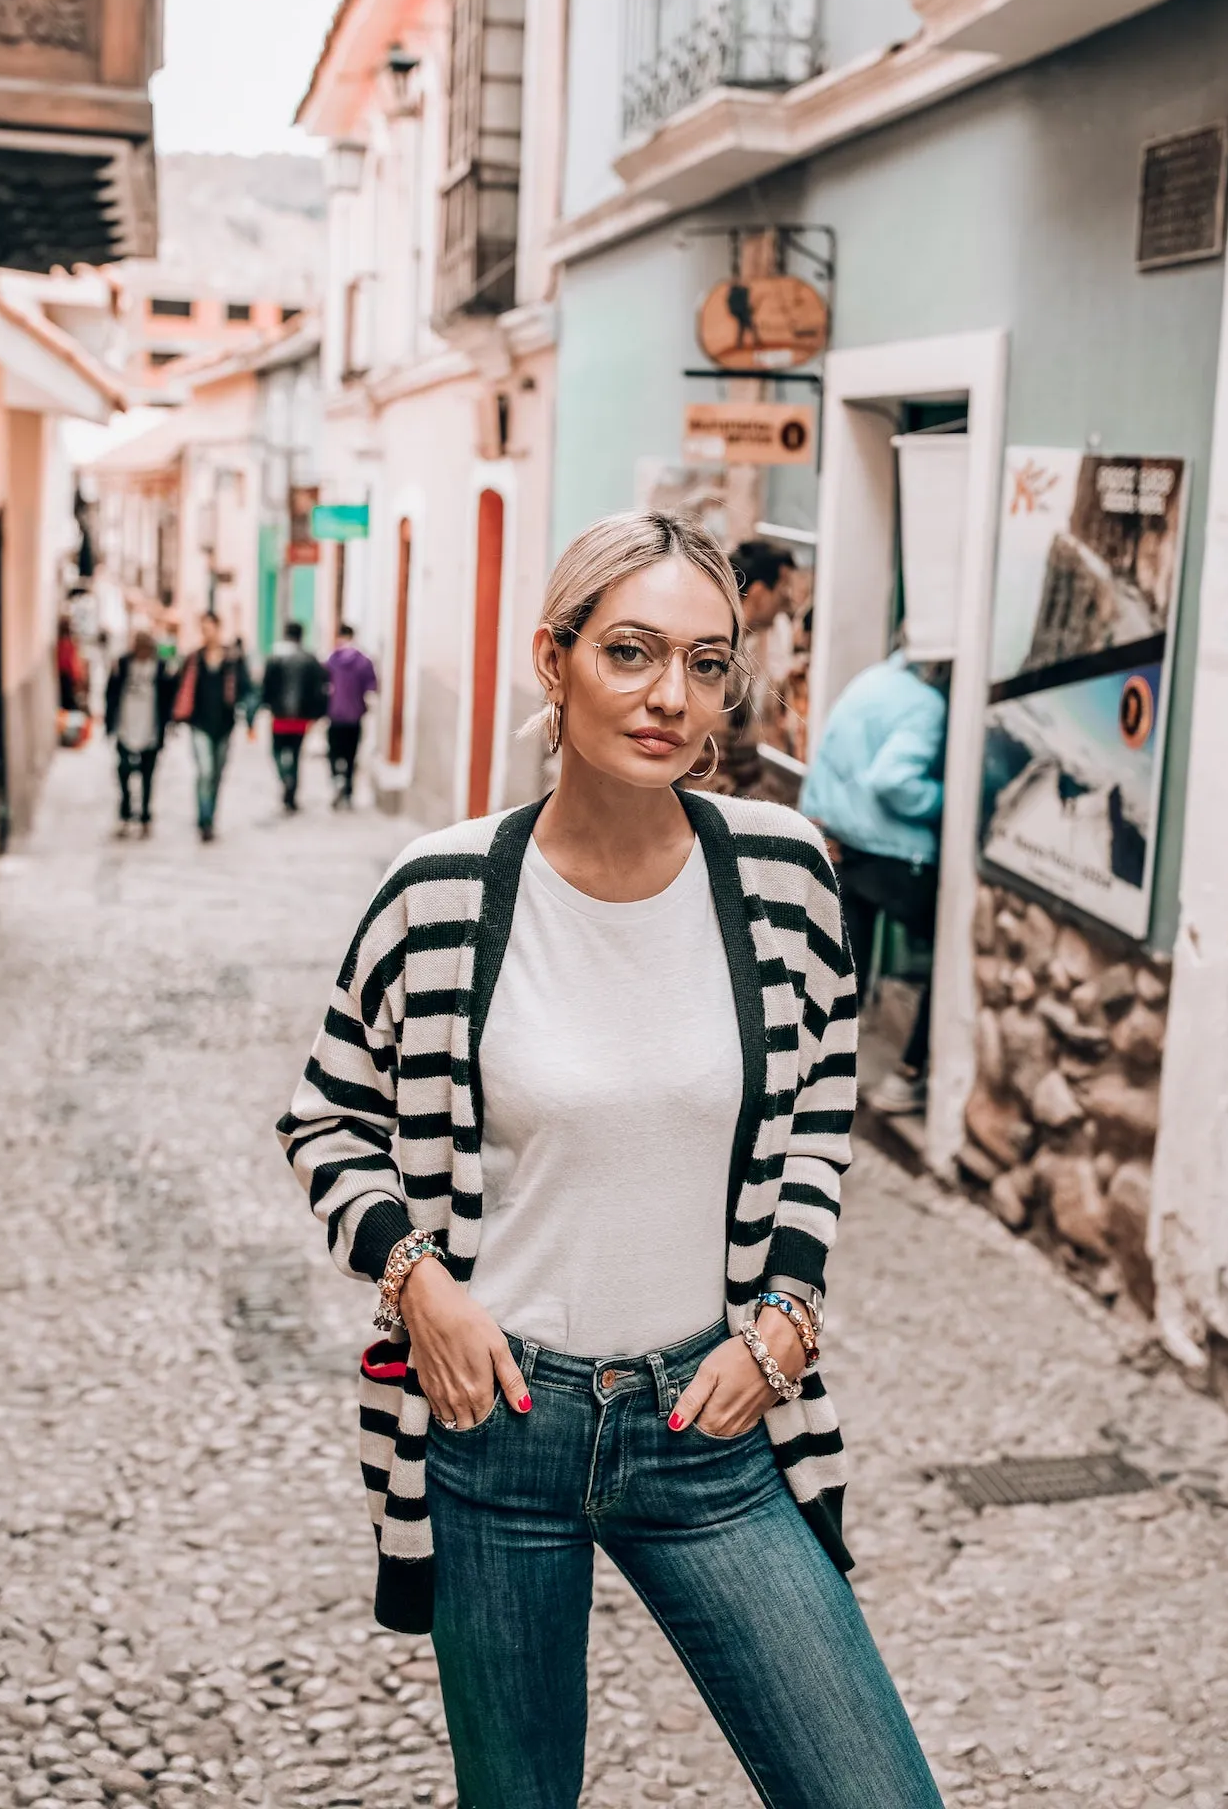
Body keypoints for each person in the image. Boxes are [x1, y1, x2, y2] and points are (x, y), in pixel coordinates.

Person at [278, 510, 944, 1809]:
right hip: (497, 1424)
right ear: (554, 657)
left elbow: (817, 1107)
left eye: (707, 664)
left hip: (708, 1427)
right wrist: (418, 1282)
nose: (668, 698)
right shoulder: (440, 898)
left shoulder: (784, 879)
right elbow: (325, 1117)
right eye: (631, 652)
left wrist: (790, 1319)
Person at [800, 647, 948, 1117]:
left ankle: (812, 1078)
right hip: (896, 855)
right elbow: (893, 780)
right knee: (949, 954)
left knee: (845, 971)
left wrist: (818, 825)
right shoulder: (928, 704)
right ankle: (909, 1075)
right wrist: (950, 800)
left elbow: (829, 759)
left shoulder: (873, 679)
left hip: (844, 844)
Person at [710, 538, 795, 794]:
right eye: (782, 593)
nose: (787, 604)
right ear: (758, 594)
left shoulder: (737, 649)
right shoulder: (722, 659)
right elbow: (710, 761)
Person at [172, 611, 253, 841]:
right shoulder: (194, 658)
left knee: (217, 774)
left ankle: (210, 816)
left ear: (218, 628)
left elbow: (246, 689)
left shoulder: (233, 659)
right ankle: (204, 820)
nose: (206, 633)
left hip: (225, 725)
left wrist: (249, 716)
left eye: (210, 628)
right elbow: (180, 689)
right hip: (199, 724)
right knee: (205, 771)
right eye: (203, 629)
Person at [104, 629, 177, 834]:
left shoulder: (161, 667)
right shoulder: (123, 664)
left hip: (150, 728)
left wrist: (168, 724)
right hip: (125, 726)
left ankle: (145, 814)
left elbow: (168, 697)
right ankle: (126, 812)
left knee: (148, 775)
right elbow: (111, 693)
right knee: (123, 770)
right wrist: (109, 724)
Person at [255, 620, 327, 812]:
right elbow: (320, 689)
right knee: (295, 755)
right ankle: (291, 789)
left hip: (279, 716)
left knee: (277, 752)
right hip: (301, 717)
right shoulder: (310, 659)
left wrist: (266, 706)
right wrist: (317, 713)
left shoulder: (275, 657)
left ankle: (285, 778)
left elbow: (266, 686)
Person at [323, 622, 378, 808]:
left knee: (334, 752)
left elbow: (323, 686)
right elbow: (372, 689)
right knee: (351, 755)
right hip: (355, 717)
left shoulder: (331, 660)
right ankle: (347, 789)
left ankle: (336, 779)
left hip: (335, 716)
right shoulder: (364, 661)